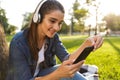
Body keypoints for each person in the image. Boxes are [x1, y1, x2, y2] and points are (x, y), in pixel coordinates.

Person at [6, 0, 103, 80]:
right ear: (38, 18)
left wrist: (86, 44)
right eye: (52, 21)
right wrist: (57, 74)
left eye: (60, 23)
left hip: (43, 76)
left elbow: (68, 59)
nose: (57, 28)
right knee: (62, 72)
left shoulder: (53, 37)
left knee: (69, 73)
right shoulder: (18, 42)